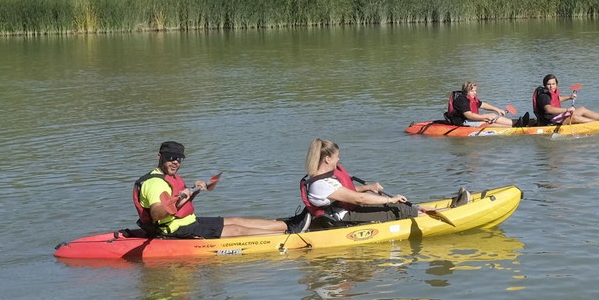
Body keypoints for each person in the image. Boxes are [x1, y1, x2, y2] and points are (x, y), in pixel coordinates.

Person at [132, 141, 290, 239]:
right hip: (175, 229)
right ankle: (289, 237)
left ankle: (289, 225)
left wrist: (194, 193)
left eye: (178, 159)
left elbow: (178, 206)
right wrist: (180, 199)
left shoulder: (170, 175)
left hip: (187, 221)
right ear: (159, 157)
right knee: (236, 230)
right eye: (170, 158)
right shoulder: (154, 184)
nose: (175, 162)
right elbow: (156, 214)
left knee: (236, 220)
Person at [299, 139, 445, 229]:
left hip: (346, 210)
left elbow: (343, 193)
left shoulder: (321, 178)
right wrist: (390, 199)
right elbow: (359, 199)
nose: (339, 159)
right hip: (343, 217)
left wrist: (367, 187)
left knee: (396, 205)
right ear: (327, 159)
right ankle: (450, 214)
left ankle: (448, 209)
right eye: (337, 157)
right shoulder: (321, 183)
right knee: (400, 209)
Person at [533, 74, 599, 125]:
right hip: (551, 121)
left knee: (582, 109)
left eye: (553, 84)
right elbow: (549, 109)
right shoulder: (543, 96)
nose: (551, 86)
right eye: (548, 84)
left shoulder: (551, 93)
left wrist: (569, 97)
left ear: (556, 84)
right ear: (545, 85)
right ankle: (598, 124)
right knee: (573, 116)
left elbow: (556, 100)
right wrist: (567, 109)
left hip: (557, 117)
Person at [444, 81, 521, 127]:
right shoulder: (461, 100)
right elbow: (469, 115)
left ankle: (515, 123)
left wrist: (497, 109)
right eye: (472, 91)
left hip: (470, 119)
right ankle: (514, 126)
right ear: (466, 91)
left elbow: (482, 105)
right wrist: (484, 117)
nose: (475, 93)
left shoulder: (472, 98)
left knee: (492, 115)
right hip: (463, 122)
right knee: (488, 119)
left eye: (475, 91)